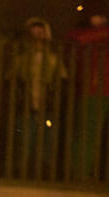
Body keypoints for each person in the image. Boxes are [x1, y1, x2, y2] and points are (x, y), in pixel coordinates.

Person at [65, 0, 109, 180]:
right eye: (97, 15)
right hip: (88, 89)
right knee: (86, 133)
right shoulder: (79, 34)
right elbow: (79, 40)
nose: (101, 20)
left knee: (93, 134)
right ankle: (80, 173)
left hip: (105, 90)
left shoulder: (104, 37)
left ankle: (86, 171)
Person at [9, 16, 66, 175]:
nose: (37, 39)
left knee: (48, 143)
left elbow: (61, 81)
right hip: (27, 108)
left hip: (47, 108)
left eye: (40, 34)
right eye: (33, 35)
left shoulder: (54, 60)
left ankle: (44, 174)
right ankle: (22, 173)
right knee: (25, 143)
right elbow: (12, 80)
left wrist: (52, 97)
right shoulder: (21, 59)